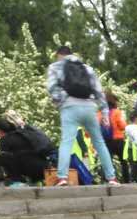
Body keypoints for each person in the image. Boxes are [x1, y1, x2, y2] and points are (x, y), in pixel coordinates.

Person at [45, 45, 118, 186]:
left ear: (59, 55)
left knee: (66, 142)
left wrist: (61, 100)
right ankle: (111, 178)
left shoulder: (55, 67)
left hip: (69, 107)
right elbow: (98, 91)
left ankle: (63, 177)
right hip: (89, 107)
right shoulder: (86, 68)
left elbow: (52, 88)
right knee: (99, 142)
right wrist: (104, 112)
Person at [0, 114, 55, 185]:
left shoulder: (4, 140)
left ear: (1, 131)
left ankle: (17, 181)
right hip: (43, 167)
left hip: (27, 168)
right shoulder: (24, 134)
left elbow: (7, 160)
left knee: (3, 155)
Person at [102, 90, 126, 173]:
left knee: (108, 162)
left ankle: (110, 178)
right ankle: (126, 178)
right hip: (118, 140)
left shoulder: (101, 113)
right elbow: (122, 126)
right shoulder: (116, 112)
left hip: (106, 140)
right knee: (123, 161)